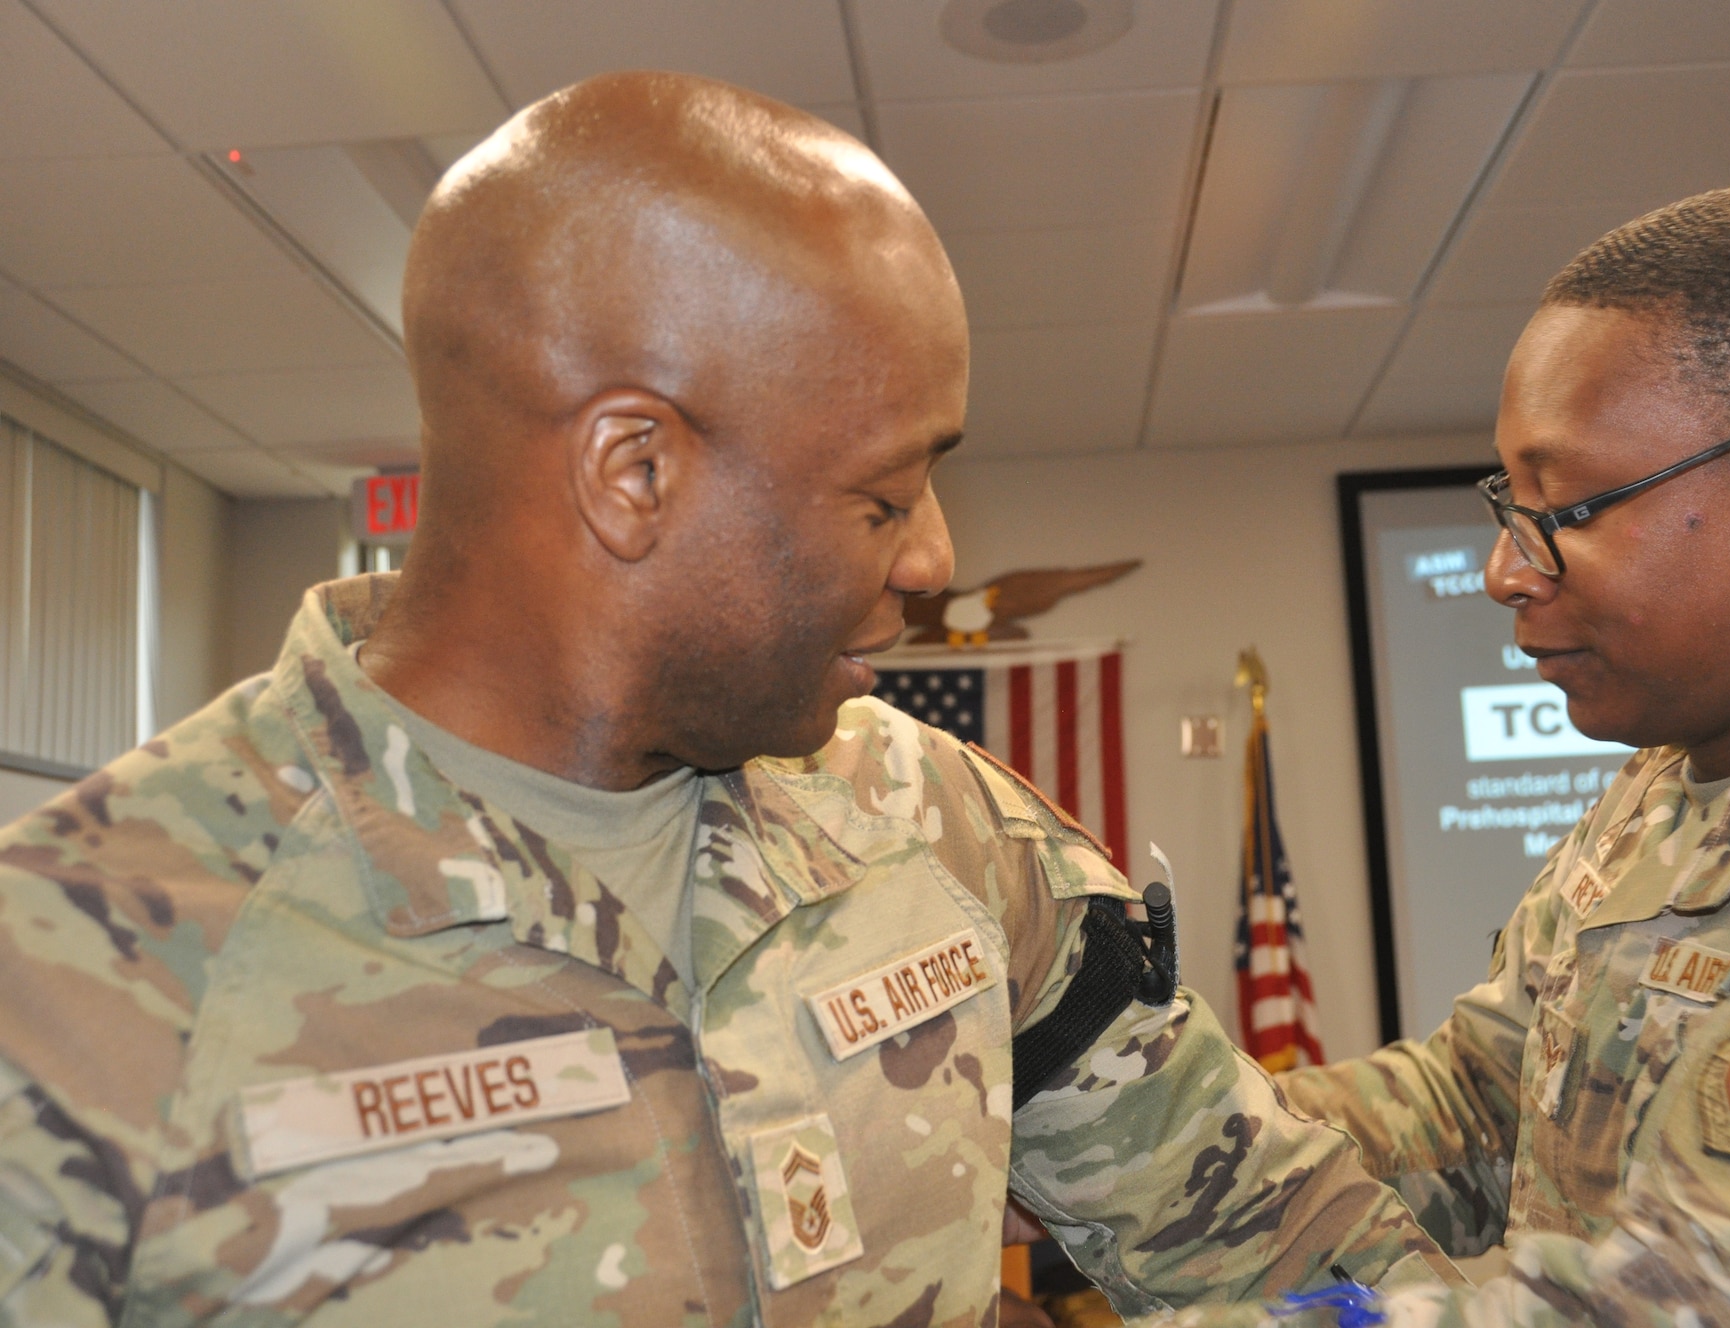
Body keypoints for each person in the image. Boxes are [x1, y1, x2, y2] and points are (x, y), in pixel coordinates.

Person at [0, 72, 1454, 1327]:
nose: (940, 561)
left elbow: (1267, 1229)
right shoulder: (83, 977)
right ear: (634, 473)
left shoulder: (929, 822)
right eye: (883, 497)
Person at [1268, 186, 1730, 1324]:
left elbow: (1662, 1307)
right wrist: (1106, 1137)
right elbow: (1478, 1109)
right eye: (1508, 503)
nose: (1504, 570)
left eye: (1564, 505)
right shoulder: (1670, 776)